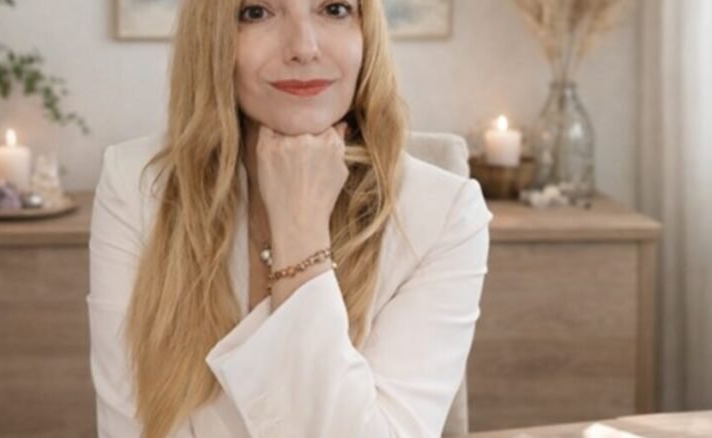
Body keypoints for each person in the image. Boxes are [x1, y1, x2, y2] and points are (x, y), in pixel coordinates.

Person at [87, 0, 493, 436]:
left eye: (334, 9)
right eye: (257, 12)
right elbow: (128, 427)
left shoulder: (445, 213)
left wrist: (301, 235)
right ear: (212, 38)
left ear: (367, 33)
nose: (304, 47)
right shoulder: (136, 184)